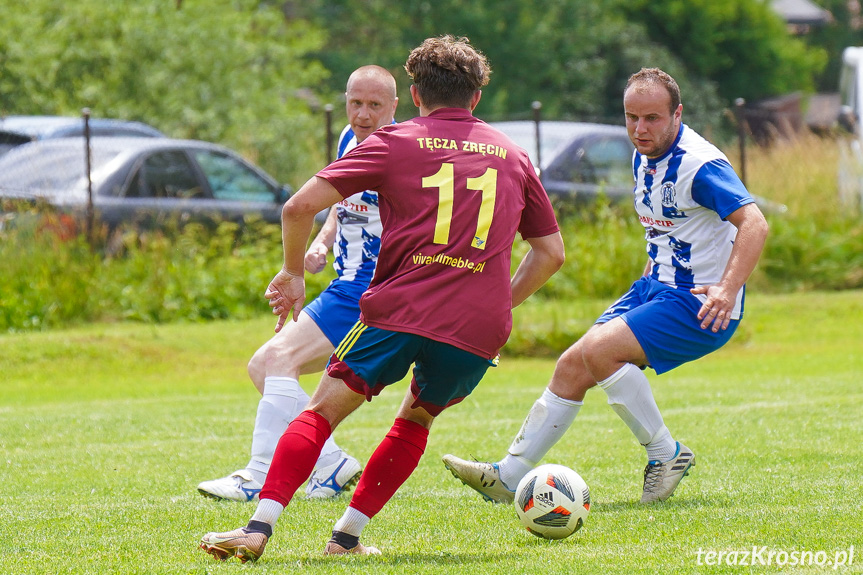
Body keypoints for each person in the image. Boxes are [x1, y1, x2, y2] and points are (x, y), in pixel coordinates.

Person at [198, 35, 565, 561]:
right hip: (477, 326)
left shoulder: (396, 142)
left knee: (321, 412)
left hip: (402, 308)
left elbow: (297, 208)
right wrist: (500, 302)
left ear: (414, 96)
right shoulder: (512, 154)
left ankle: (258, 528)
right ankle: (345, 538)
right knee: (415, 419)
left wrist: (292, 272)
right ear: (476, 97)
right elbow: (550, 252)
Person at [443, 67, 769, 505]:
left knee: (599, 352)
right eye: (631, 117)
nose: (639, 128)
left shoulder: (700, 164)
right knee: (572, 365)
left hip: (700, 300)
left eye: (652, 118)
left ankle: (665, 453)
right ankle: (509, 476)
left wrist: (727, 289)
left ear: (678, 114)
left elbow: (755, 222)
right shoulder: (644, 155)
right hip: (655, 287)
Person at [196, 65, 398, 502]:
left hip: (367, 290)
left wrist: (295, 272)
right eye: (355, 102)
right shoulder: (350, 138)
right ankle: (330, 463)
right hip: (346, 283)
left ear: (395, 107)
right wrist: (324, 242)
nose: (363, 114)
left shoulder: (396, 153)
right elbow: (341, 203)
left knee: (275, 362)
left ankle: (257, 477)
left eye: (374, 105)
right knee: (263, 367)